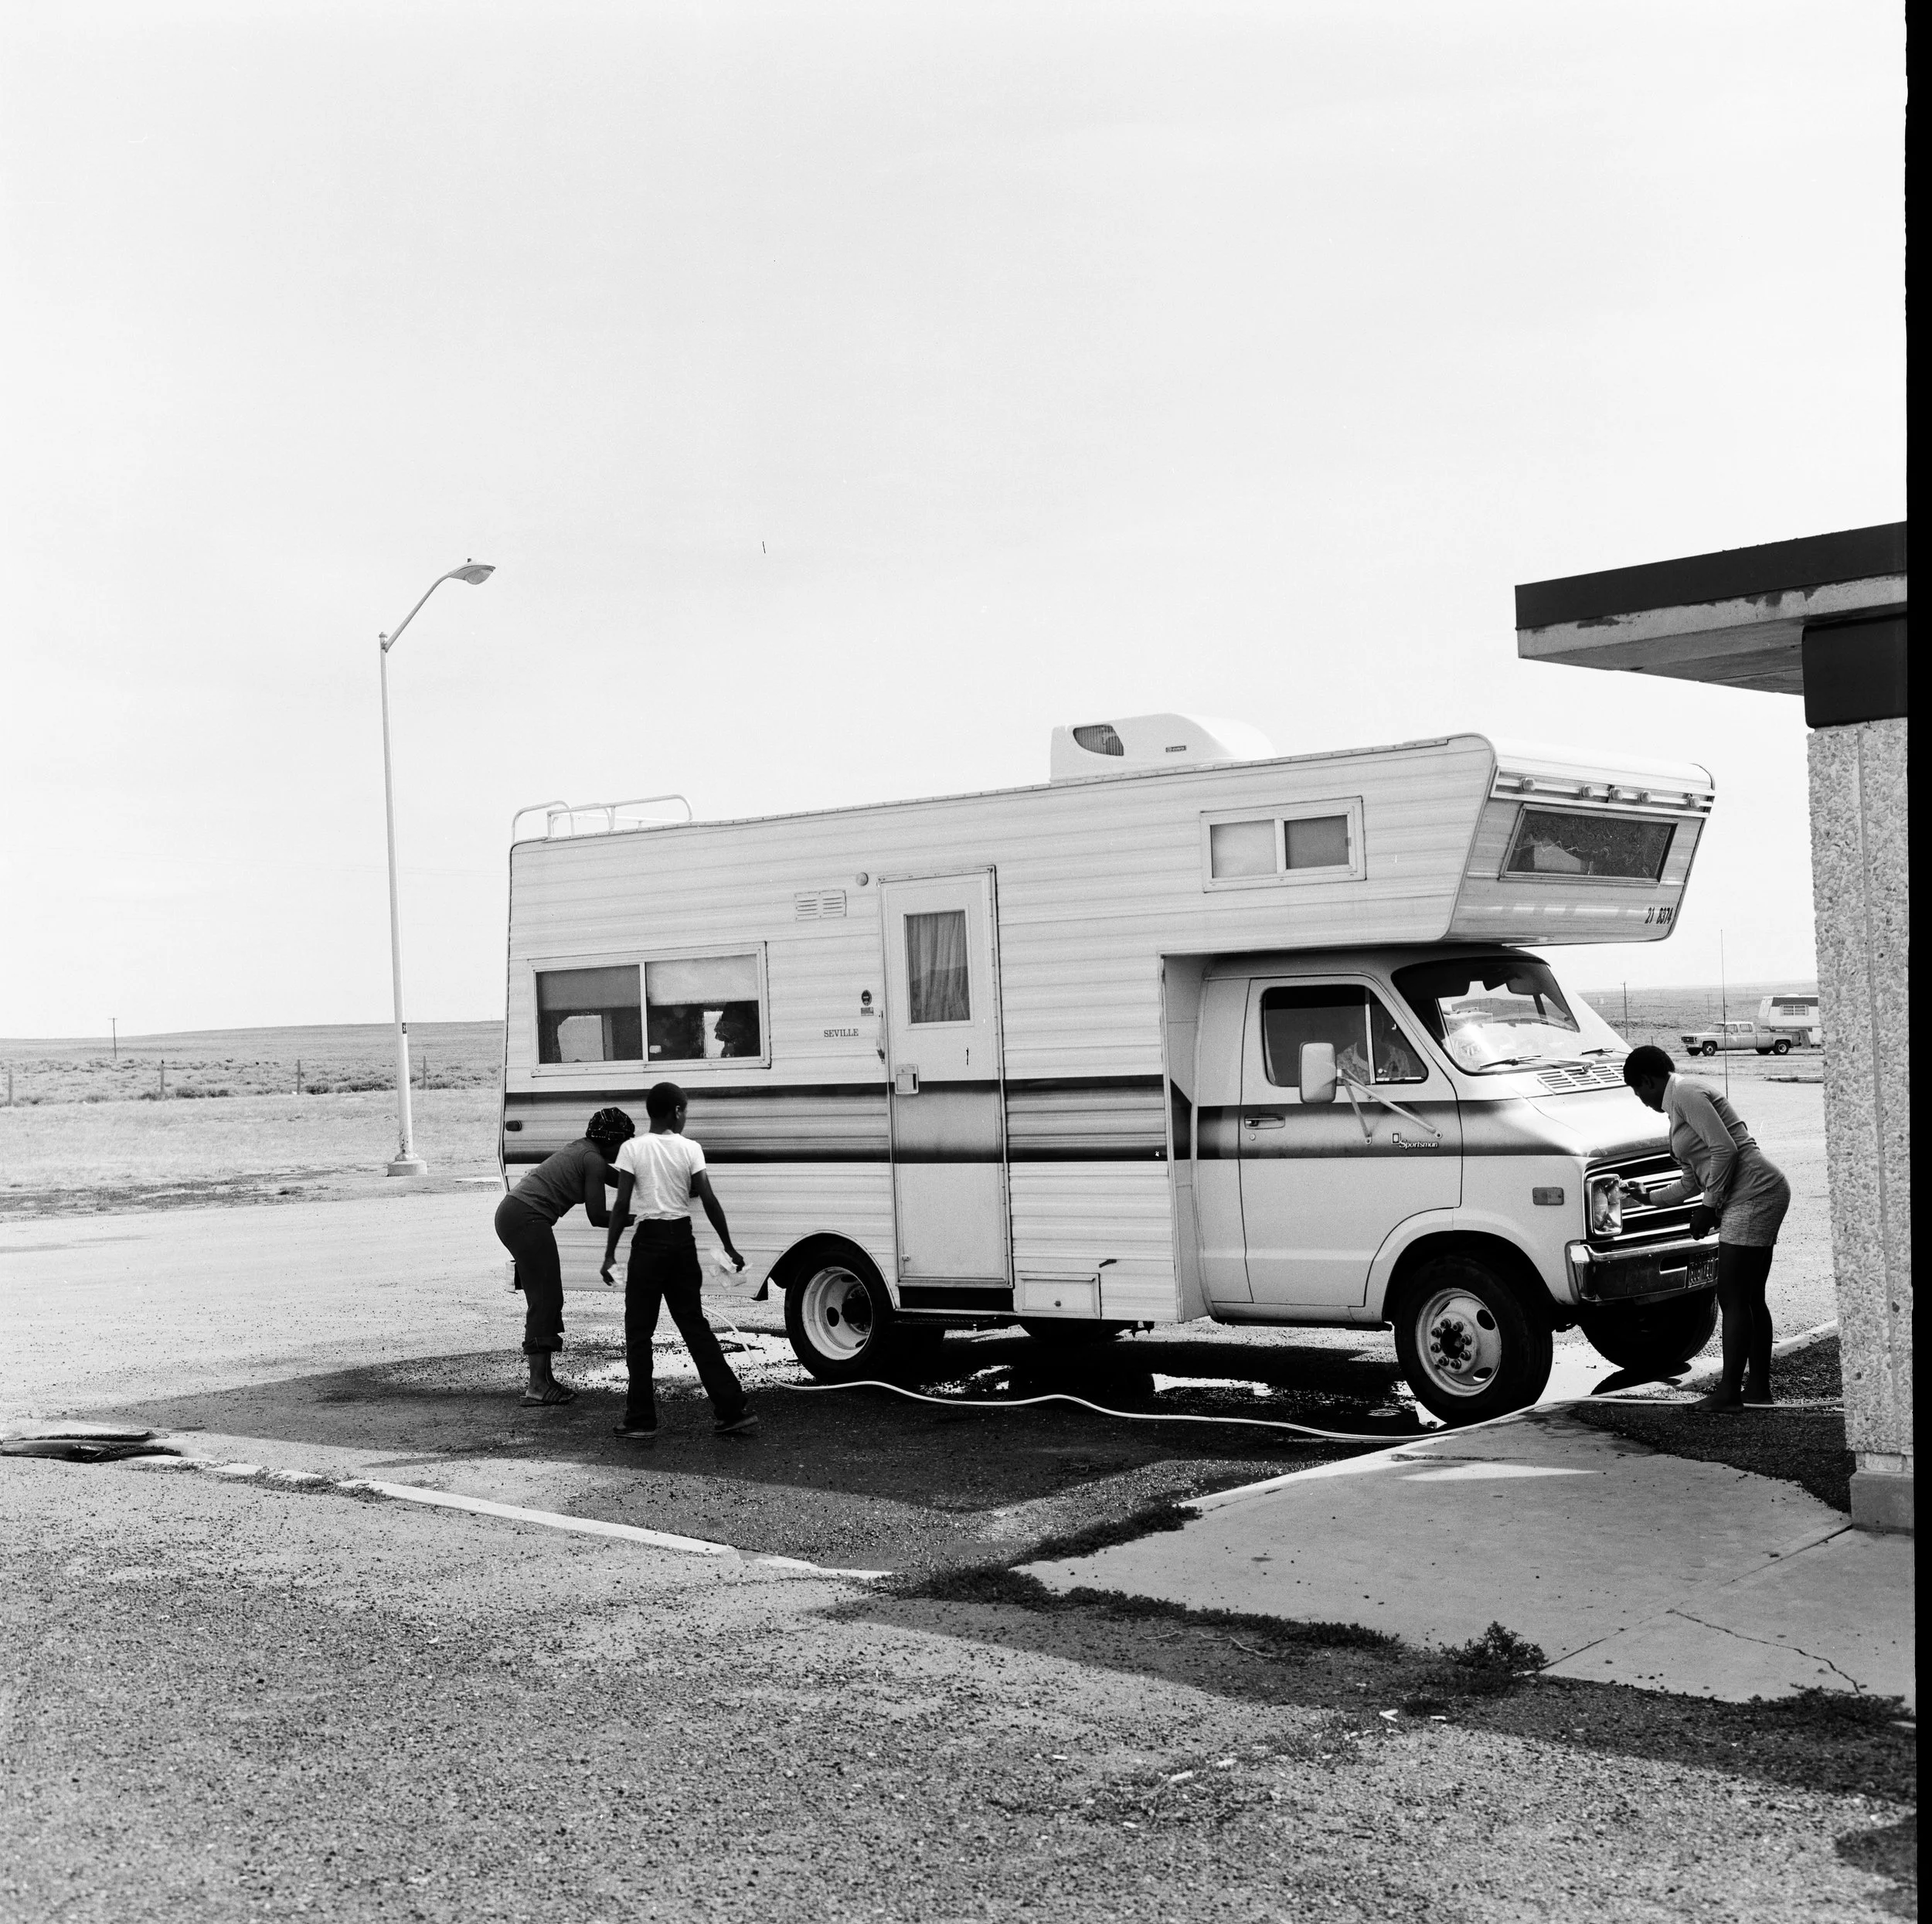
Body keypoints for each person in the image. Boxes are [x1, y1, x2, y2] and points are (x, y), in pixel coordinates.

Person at [1621, 1045, 1791, 1410]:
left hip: (1755, 1192)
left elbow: (1726, 1150)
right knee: (1749, 1297)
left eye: (1637, 1091)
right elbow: (1691, 1180)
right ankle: (1757, 1391)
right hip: (1753, 1192)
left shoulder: (1686, 1093)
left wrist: (1709, 1207)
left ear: (1647, 1081)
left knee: (1732, 1296)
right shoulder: (1678, 1109)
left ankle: (1729, 1394)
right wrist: (1647, 1197)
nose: (1641, 1100)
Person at [600, 1082, 757, 1440]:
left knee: (639, 1332)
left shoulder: (632, 1149)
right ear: (676, 1112)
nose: (685, 1117)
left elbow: (622, 1205)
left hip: (649, 1243)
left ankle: (641, 1419)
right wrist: (729, 1246)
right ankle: (731, 1409)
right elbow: (709, 1199)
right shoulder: (690, 1148)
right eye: (685, 1111)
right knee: (694, 1326)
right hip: (682, 1242)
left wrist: (609, 1254)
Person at [495, 1106, 634, 1406]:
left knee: (549, 1297)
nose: (626, 1150)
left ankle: (544, 1381)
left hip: (517, 1215)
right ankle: (536, 1386)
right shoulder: (592, 1159)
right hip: (525, 1219)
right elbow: (598, 1216)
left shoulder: (586, 1151)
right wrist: (639, 1218)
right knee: (544, 1299)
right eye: (625, 1143)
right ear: (612, 1140)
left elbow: (622, 1180)